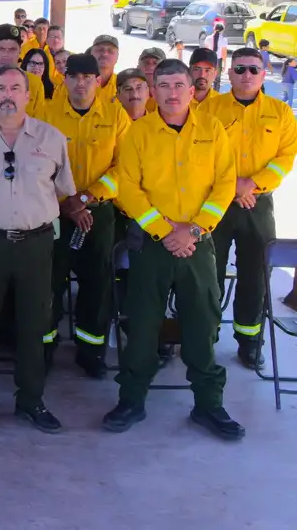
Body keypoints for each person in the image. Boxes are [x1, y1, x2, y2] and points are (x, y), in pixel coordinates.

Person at [103, 59, 243, 440]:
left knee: (203, 323)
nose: (173, 92)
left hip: (197, 244)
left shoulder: (212, 129)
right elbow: (128, 188)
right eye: (163, 85)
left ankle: (209, 405)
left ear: (191, 87)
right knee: (144, 323)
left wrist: (194, 230)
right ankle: (132, 399)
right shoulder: (139, 132)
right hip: (152, 245)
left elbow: (225, 184)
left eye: (179, 84)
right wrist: (166, 231)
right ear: (154, 89)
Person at [0, 66, 76, 434]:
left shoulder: (52, 139)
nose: (7, 94)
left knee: (33, 323)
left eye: (15, 88)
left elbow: (62, 187)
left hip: (36, 245)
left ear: (28, 95)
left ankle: (31, 400)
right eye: (0, 88)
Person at [205, 47, 297, 369]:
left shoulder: (281, 113)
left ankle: (249, 340)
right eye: (239, 69)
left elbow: (285, 159)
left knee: (255, 273)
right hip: (214, 203)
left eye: (253, 70)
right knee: (208, 273)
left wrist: (252, 185)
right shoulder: (209, 110)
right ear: (229, 73)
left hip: (257, 204)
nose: (246, 75)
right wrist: (232, 187)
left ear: (264, 73)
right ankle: (206, 336)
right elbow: (199, 154)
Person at [39, 54, 130, 378]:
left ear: (99, 80)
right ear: (63, 78)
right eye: (74, 76)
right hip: (54, 212)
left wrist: (85, 197)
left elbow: (124, 167)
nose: (80, 83)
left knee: (97, 283)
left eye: (87, 77)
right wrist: (64, 203)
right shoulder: (47, 114)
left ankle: (90, 350)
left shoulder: (116, 116)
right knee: (49, 282)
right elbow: (35, 164)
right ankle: (44, 346)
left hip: (97, 214)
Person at [90, 35, 121, 104]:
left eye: (110, 51)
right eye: (100, 50)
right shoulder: (76, 82)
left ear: (117, 56)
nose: (105, 54)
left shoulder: (123, 85)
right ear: (91, 53)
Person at [205, 20, 230, 91]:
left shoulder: (208, 38)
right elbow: (224, 53)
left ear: (214, 29)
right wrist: (225, 63)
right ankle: (216, 94)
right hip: (218, 61)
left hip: (209, 60)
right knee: (217, 79)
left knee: (208, 78)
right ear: (222, 31)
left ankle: (207, 94)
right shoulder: (224, 40)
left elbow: (206, 51)